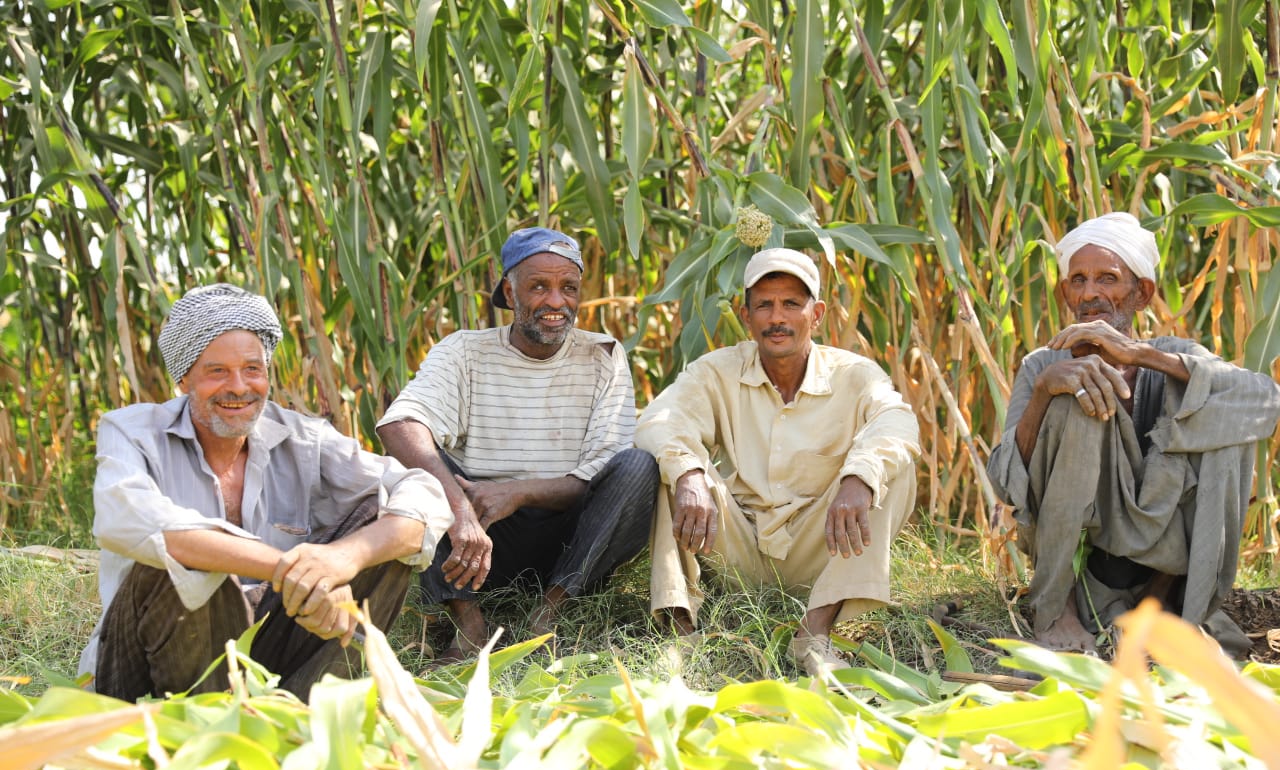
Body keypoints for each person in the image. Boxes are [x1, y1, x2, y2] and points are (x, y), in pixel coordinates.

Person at [82, 284, 453, 702]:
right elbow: (128, 520)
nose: (239, 387)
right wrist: (296, 571)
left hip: (269, 649)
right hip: (146, 672)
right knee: (178, 558)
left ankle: (310, 708)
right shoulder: (131, 431)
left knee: (382, 520)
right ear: (184, 377)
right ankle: (207, 721)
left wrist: (341, 559)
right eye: (217, 371)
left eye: (252, 369)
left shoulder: (303, 437)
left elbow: (422, 492)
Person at [987, 212, 1280, 656]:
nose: (1091, 293)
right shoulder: (1042, 366)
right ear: (1065, 292)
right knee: (1075, 397)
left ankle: (1162, 602)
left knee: (1216, 402)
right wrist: (1048, 391)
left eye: (1108, 278)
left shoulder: (1172, 357)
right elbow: (1008, 483)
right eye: (1079, 280)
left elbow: (1265, 401)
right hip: (1087, 562)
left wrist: (1137, 354)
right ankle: (1058, 606)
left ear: (1141, 293)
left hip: (1168, 554)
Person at [376, 227, 658, 662]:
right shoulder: (465, 352)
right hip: (479, 537)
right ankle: (468, 622)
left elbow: (605, 469)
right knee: (415, 470)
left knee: (637, 466)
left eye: (568, 288)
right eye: (538, 287)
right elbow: (399, 424)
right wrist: (463, 510)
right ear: (509, 292)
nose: (556, 302)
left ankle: (550, 613)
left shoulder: (603, 355)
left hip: (573, 539)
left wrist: (519, 492)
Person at [636, 248, 920, 677]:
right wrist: (691, 473)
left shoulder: (854, 375)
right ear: (746, 316)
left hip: (823, 547)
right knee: (666, 467)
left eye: (791, 304)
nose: (777, 318)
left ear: (817, 314)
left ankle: (815, 632)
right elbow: (658, 420)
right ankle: (681, 634)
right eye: (764, 305)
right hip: (737, 546)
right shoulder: (715, 372)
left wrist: (859, 477)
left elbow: (897, 422)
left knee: (892, 471)